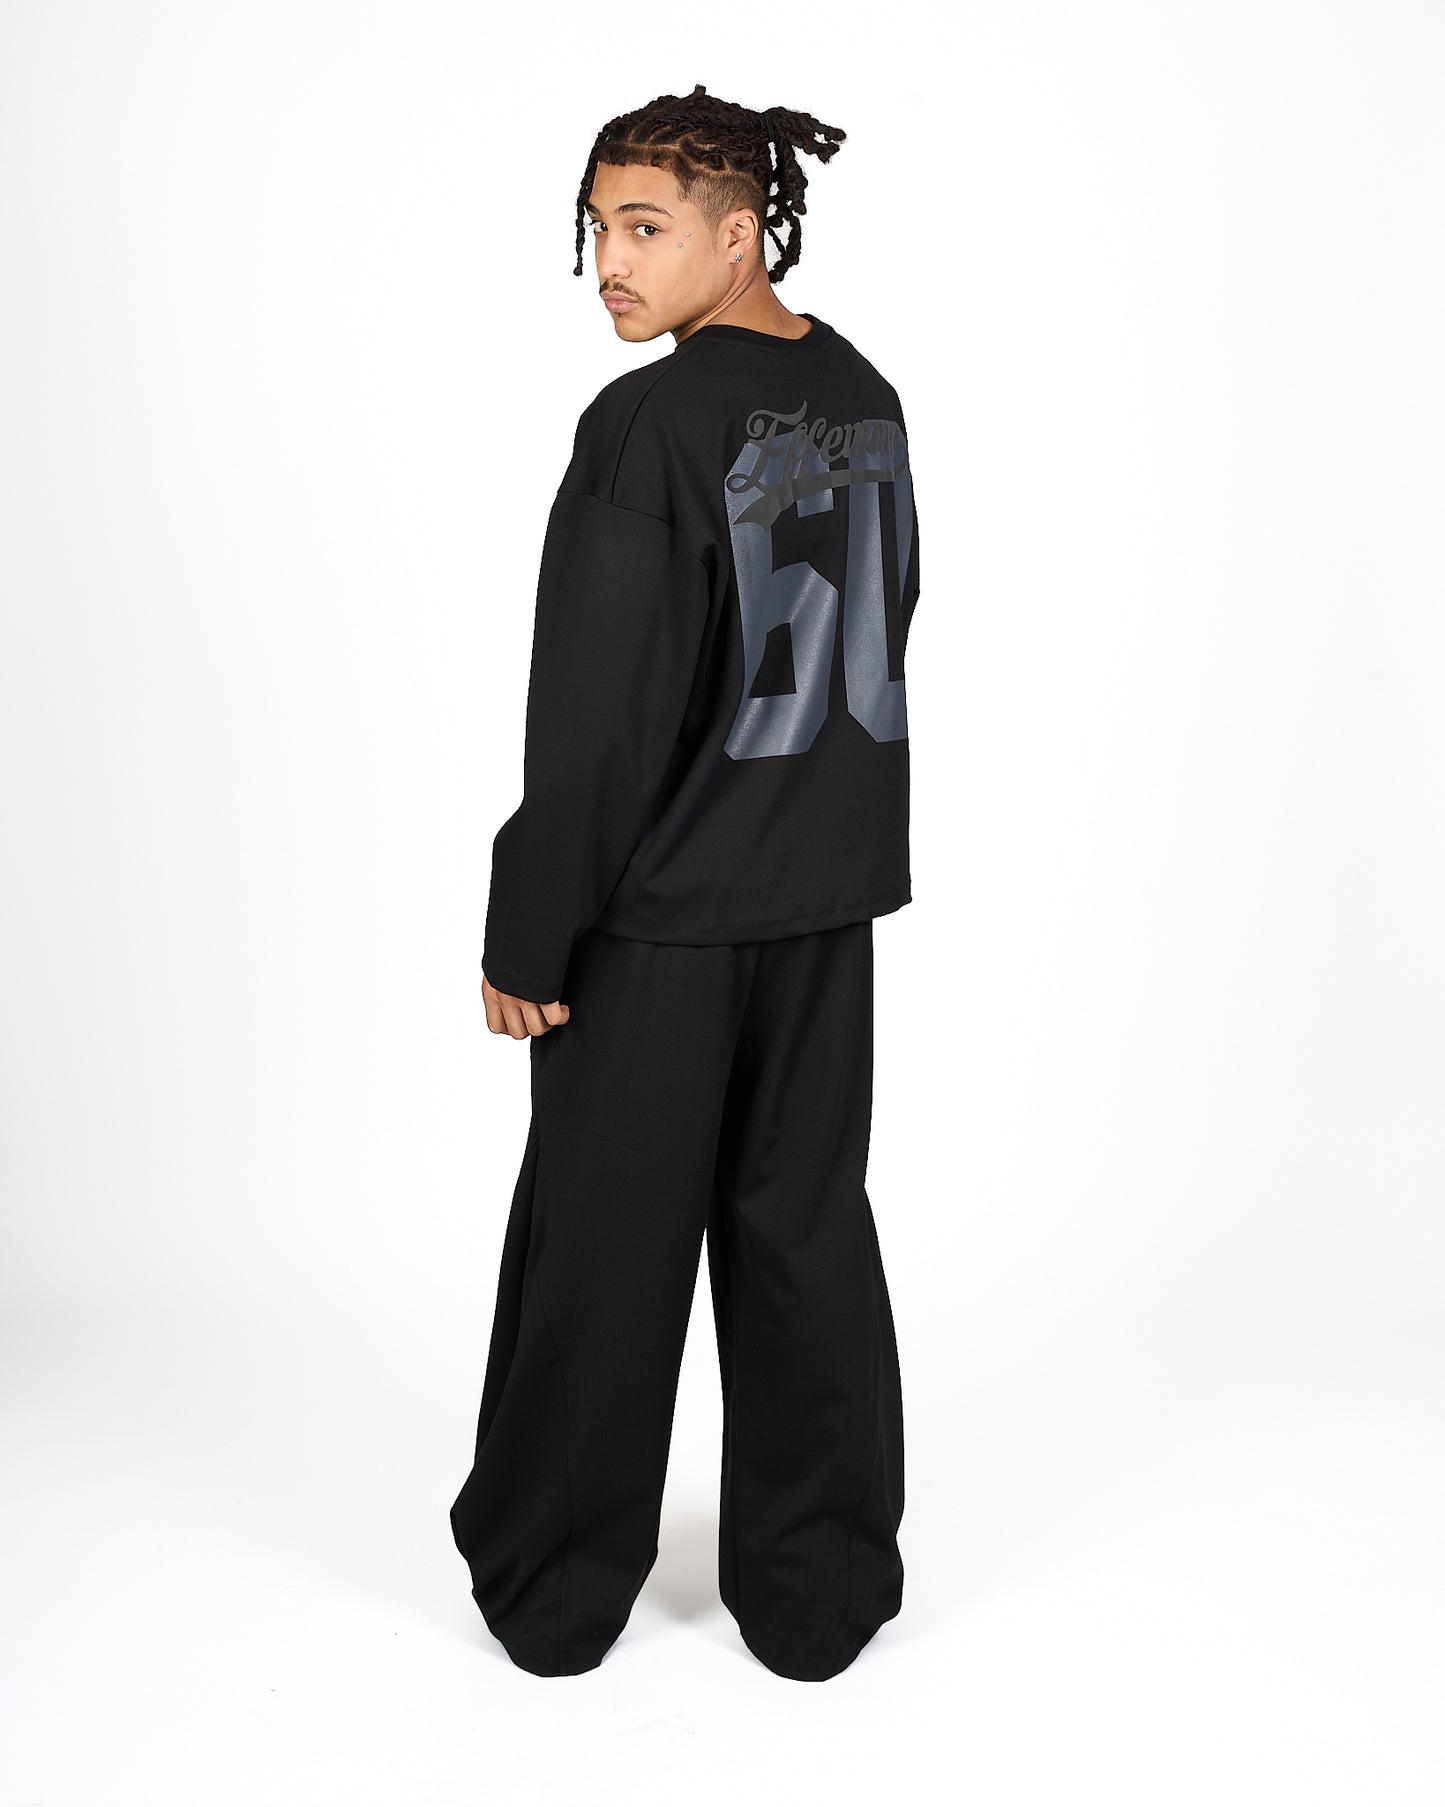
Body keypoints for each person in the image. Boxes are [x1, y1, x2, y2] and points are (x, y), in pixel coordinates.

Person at [449, 82, 920, 1683]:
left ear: (741, 233)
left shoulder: (648, 425)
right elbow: (890, 621)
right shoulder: (863, 396)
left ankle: (555, 1591)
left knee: (603, 1246)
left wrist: (532, 930)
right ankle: (817, 1591)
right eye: (597, 228)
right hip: (822, 901)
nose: (610, 262)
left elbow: (597, 710)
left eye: (645, 227)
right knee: (802, 1235)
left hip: (660, 922)